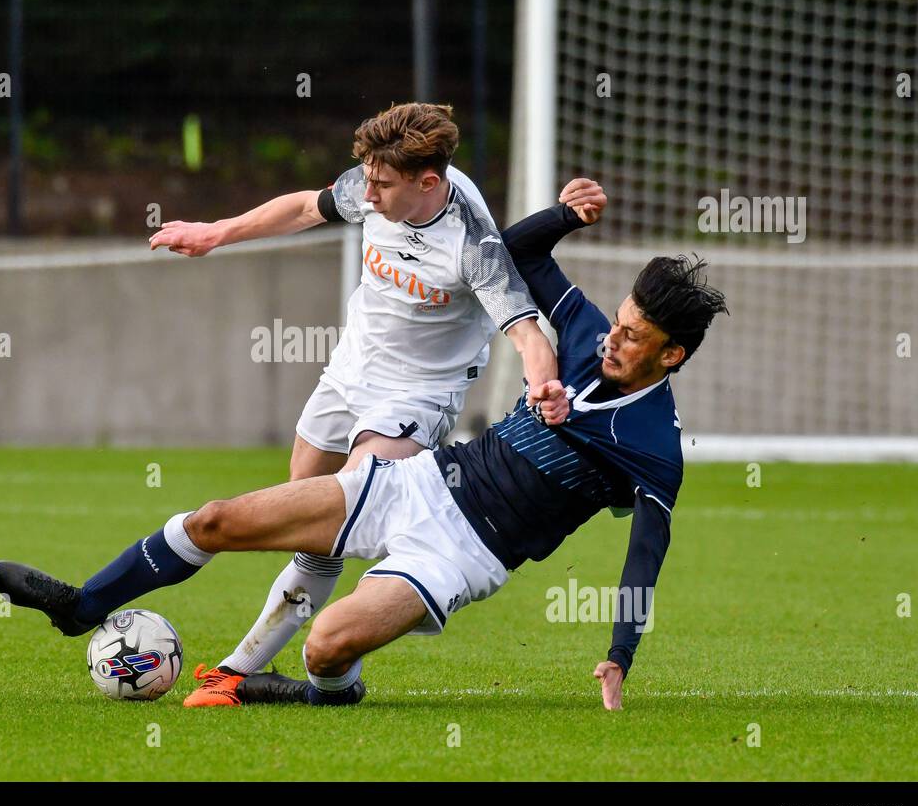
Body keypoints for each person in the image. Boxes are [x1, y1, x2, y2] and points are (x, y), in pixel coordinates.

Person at [0, 197, 728, 710]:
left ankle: (327, 695)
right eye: (622, 321)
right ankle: (79, 608)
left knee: (326, 646)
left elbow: (644, 558)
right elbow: (516, 249)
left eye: (635, 336)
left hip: (464, 555)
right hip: (419, 483)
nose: (615, 338)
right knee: (218, 519)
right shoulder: (583, 333)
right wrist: (567, 215)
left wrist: (619, 655)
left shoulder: (656, 448)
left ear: (675, 354)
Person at [146, 101, 588, 706]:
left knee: (346, 501)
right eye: (368, 179)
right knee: (306, 523)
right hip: (348, 373)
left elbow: (526, 330)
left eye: (380, 184)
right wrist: (214, 232)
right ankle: (272, 669)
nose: (366, 193)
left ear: (426, 182)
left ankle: (237, 669)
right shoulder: (376, 183)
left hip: (418, 392)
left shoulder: (471, 242)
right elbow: (306, 206)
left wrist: (544, 384)